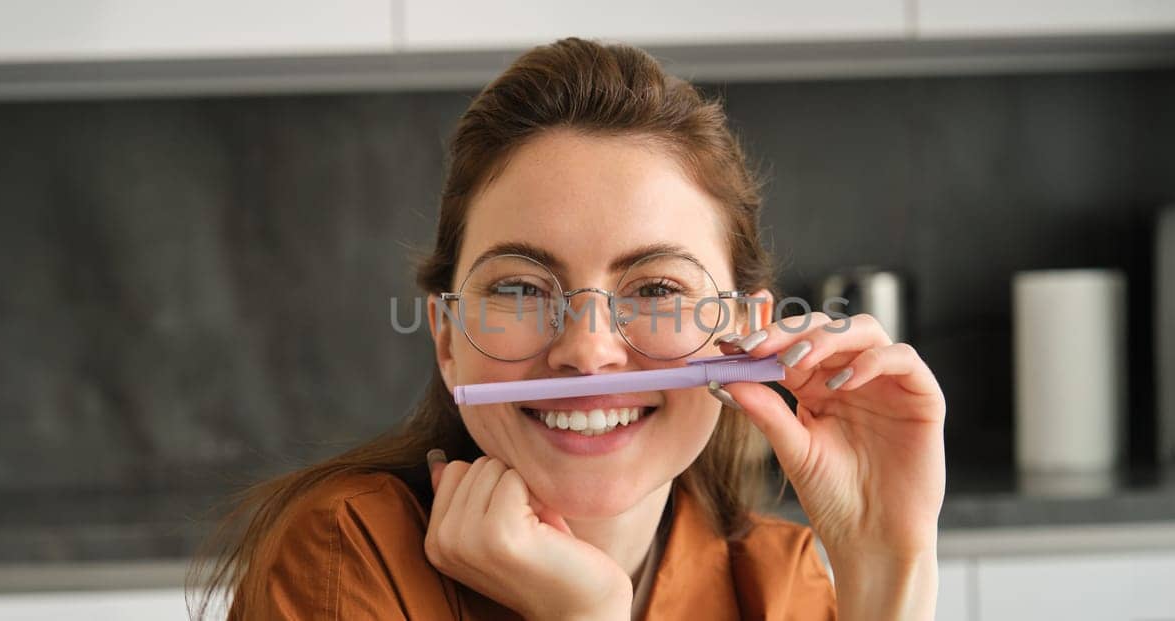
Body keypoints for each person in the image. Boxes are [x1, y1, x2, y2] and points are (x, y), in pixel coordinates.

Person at [192, 36, 946, 621]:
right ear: (448, 339)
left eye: (655, 287)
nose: (587, 350)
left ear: (744, 337)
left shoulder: (781, 582)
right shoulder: (346, 557)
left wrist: (888, 563)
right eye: (521, 286)